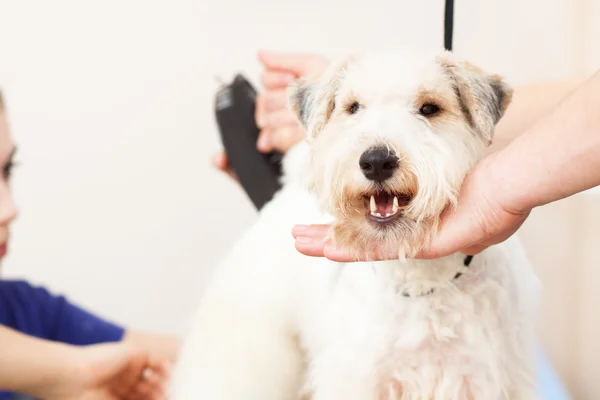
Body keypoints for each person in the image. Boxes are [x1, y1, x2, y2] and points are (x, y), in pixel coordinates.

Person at [212, 50, 582, 400]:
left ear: (478, 121)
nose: (376, 157)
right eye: (354, 107)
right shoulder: (294, 228)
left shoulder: (505, 283)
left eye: (428, 108)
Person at [0, 92, 180, 400]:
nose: (9, 209)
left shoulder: (27, 311)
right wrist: (77, 374)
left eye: (7, 170)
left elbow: (216, 359)